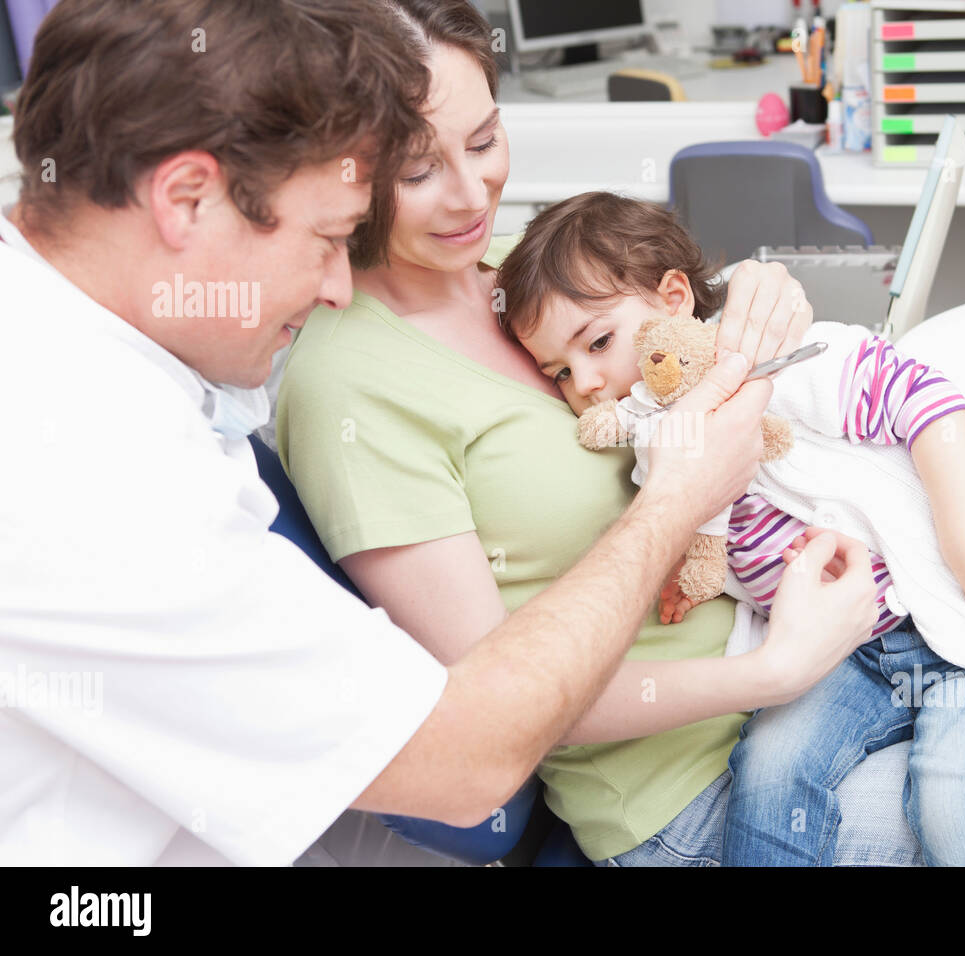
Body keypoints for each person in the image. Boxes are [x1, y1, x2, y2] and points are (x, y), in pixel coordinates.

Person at [276, 0, 965, 867]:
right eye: (417, 168)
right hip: (704, 778)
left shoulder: (508, 267)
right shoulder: (348, 385)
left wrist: (759, 287)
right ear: (345, 167)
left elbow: (675, 323)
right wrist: (772, 671)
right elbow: (485, 724)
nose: (469, 193)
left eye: (487, 140)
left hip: (854, 641)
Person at [0, 0, 874, 866]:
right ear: (185, 199)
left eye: (484, 140)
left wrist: (754, 308)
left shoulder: (100, 354)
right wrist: (683, 499)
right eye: (330, 235)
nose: (341, 285)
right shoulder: (83, 478)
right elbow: (463, 760)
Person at [496, 189, 965, 866]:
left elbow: (930, 400)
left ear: (672, 301)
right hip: (839, 662)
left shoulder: (789, 367)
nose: (587, 384)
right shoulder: (658, 446)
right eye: (560, 373)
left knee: (955, 803)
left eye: (598, 343)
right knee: (770, 774)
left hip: (951, 625)